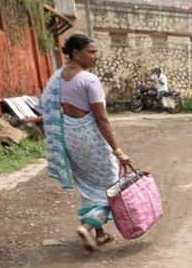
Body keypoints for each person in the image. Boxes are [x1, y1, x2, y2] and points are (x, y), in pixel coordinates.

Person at [41, 33, 131, 250]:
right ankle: (87, 228)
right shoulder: (89, 80)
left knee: (89, 187)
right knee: (110, 184)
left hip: (69, 139)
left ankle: (100, 235)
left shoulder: (57, 78)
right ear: (75, 54)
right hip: (91, 139)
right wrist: (117, 150)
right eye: (91, 52)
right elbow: (101, 119)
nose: (95, 56)